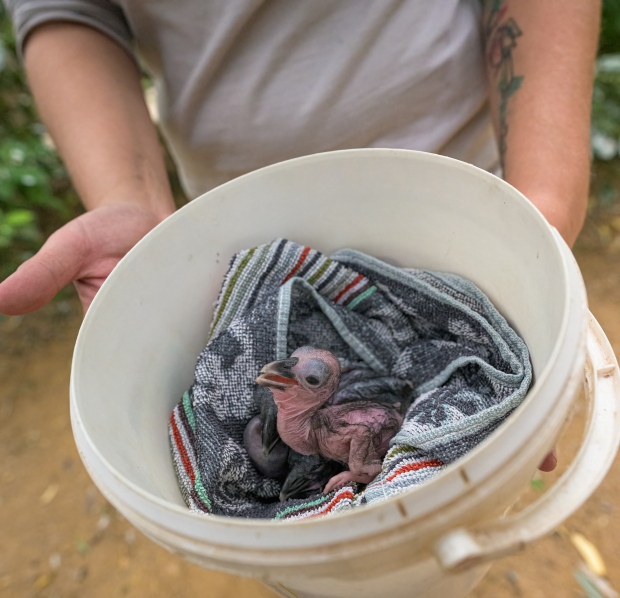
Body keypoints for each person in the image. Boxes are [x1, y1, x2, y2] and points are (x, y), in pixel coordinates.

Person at [0, 1, 601, 473]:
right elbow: (70, 11)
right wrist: (126, 197)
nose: (281, 374)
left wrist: (539, 205)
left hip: (465, 194)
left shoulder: (340, 419)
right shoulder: (294, 407)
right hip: (234, 222)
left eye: (307, 378)